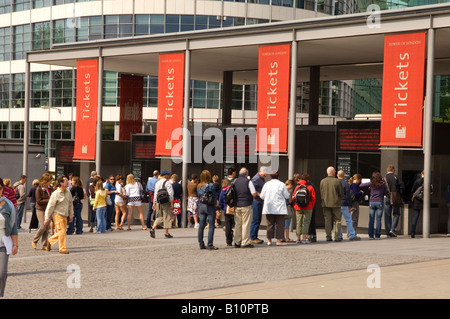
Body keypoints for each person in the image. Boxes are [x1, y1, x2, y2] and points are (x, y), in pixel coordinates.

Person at [44, 176, 74, 254]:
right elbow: (50, 206)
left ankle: (50, 240)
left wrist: (71, 215)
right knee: (62, 231)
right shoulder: (55, 194)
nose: (68, 182)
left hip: (65, 215)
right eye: (66, 181)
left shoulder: (68, 192)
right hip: (57, 215)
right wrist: (47, 218)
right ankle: (62, 248)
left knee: (62, 232)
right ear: (61, 183)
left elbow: (70, 204)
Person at [260, 171, 290, 246]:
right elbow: (286, 196)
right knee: (279, 225)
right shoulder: (282, 184)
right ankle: (279, 240)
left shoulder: (266, 184)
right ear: (278, 176)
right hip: (279, 208)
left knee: (270, 224)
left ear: (270, 176)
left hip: (269, 207)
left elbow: (262, 196)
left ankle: (269, 240)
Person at [0, 178, 19, 297]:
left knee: (2, 273)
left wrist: (15, 244)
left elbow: (13, 226)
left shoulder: (8, 205)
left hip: (3, 243)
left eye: (0, 188)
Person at [233, 167, 258, 248]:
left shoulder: (235, 181)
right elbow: (253, 193)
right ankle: (245, 242)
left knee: (238, 224)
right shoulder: (248, 181)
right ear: (246, 174)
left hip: (237, 205)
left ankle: (237, 241)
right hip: (246, 204)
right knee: (246, 224)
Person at [360, 171, 388, 240]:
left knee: (371, 219)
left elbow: (361, 185)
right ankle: (377, 235)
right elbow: (386, 193)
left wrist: (369, 188)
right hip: (380, 202)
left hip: (372, 202)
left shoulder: (371, 184)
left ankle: (370, 235)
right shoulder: (383, 184)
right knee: (379, 219)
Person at [320, 167, 344, 242]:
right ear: (333, 173)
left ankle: (328, 236)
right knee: (337, 220)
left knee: (327, 220)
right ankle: (337, 237)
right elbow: (341, 193)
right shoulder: (337, 181)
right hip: (336, 203)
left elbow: (321, 192)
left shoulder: (322, 181)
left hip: (325, 203)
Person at [197, 170, 219, 250]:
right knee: (211, 226)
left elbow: (199, 195)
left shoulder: (199, 185)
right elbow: (215, 195)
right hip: (209, 206)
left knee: (201, 226)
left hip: (201, 206)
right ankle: (210, 244)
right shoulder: (210, 185)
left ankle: (201, 244)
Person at [150, 170, 174, 239]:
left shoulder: (157, 183)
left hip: (159, 202)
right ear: (165, 175)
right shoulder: (168, 183)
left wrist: (154, 203)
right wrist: (171, 202)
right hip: (166, 202)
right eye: (168, 174)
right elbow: (170, 193)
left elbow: (155, 193)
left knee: (159, 216)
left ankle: (153, 228)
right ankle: (166, 233)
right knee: (167, 216)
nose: (169, 176)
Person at [293, 174, 316, 244]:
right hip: (308, 207)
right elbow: (313, 198)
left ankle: (298, 238)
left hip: (298, 207)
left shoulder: (297, 187)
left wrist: (295, 205)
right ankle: (304, 238)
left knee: (298, 222)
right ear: (308, 180)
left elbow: (293, 197)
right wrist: (311, 206)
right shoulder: (310, 187)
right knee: (306, 223)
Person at [337, 170, 361, 241]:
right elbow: (348, 196)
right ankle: (352, 235)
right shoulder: (345, 184)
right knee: (349, 220)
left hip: (337, 204)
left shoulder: (336, 183)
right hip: (344, 204)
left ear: (337, 175)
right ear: (344, 175)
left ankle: (339, 235)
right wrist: (350, 206)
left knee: (338, 220)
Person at [384, 165, 405, 237]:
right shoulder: (396, 177)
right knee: (396, 214)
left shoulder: (384, 178)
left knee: (387, 215)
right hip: (395, 197)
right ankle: (392, 230)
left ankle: (387, 232)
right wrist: (400, 195)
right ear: (393, 170)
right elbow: (402, 186)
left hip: (386, 197)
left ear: (387, 170)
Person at [33, 173, 52, 250]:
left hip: (48, 209)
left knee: (47, 228)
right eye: (49, 181)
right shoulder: (39, 189)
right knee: (42, 226)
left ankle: (44, 244)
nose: (50, 182)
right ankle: (35, 240)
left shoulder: (49, 188)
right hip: (40, 209)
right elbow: (38, 200)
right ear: (45, 181)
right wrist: (49, 200)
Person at [410, 170, 432, 238]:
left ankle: (412, 232)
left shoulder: (417, 181)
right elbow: (431, 192)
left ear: (422, 174)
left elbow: (412, 191)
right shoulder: (428, 182)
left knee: (415, 217)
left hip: (417, 201)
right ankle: (426, 232)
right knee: (426, 217)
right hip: (425, 201)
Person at [250, 167, 267, 245]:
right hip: (256, 201)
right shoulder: (256, 178)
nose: (266, 174)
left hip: (259, 201)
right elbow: (251, 188)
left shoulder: (261, 178)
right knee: (256, 219)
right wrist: (258, 193)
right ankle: (253, 237)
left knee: (258, 219)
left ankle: (254, 236)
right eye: (265, 173)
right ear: (260, 171)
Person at [218, 178, 234, 246]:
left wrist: (223, 208)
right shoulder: (232, 190)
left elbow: (220, 203)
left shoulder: (222, 192)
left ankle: (228, 241)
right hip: (233, 209)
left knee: (228, 226)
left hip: (226, 210)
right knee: (235, 224)